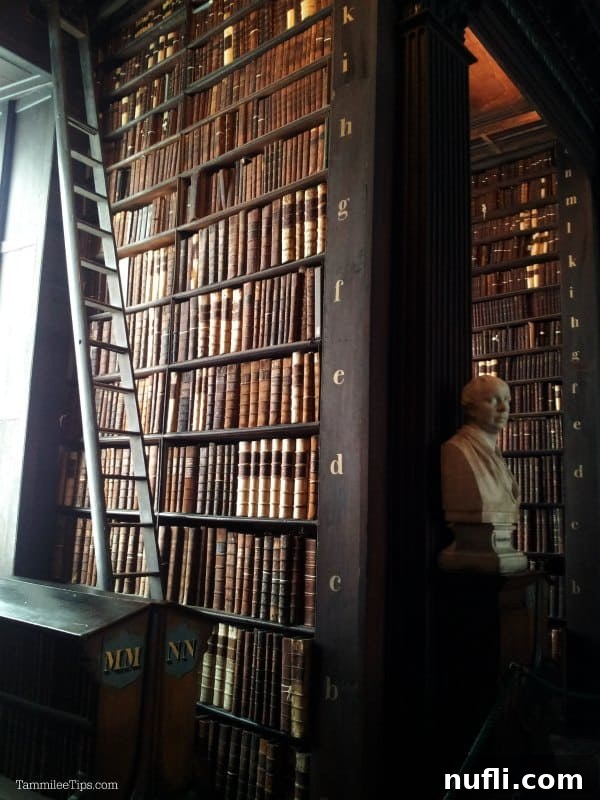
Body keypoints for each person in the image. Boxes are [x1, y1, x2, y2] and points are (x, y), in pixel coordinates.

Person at [441, 374, 520, 525]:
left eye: (506, 400)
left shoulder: (495, 454)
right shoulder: (457, 450)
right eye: (492, 400)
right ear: (471, 409)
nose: (503, 408)